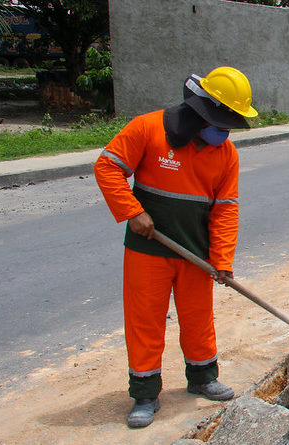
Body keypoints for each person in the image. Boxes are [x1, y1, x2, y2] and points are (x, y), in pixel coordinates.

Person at [94, 66, 258, 428]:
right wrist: (132, 212)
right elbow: (107, 167)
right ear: (202, 111)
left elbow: (225, 212)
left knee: (198, 319)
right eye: (223, 122)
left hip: (195, 255)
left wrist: (222, 261)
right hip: (147, 250)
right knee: (145, 321)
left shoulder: (226, 154)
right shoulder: (148, 128)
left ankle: (202, 378)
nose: (225, 132)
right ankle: (145, 393)